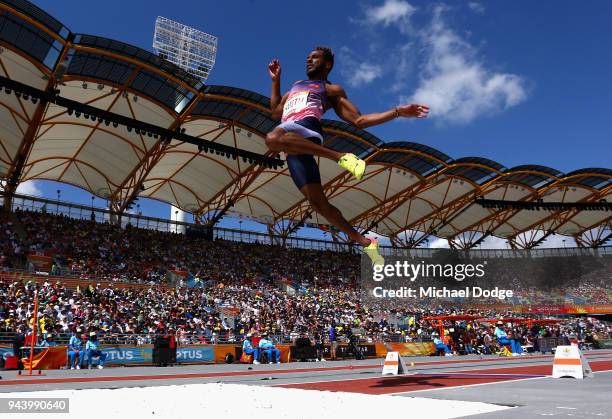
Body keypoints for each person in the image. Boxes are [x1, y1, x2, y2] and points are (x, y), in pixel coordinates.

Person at [266, 47, 429, 267]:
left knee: (272, 138)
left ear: (328, 64)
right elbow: (276, 111)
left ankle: (342, 157)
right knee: (319, 204)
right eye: (307, 58)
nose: (309, 61)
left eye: (315, 58)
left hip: (305, 129)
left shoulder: (330, 89)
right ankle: (366, 242)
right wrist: (276, 81)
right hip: (293, 145)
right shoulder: (295, 86)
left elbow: (359, 121)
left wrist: (397, 111)